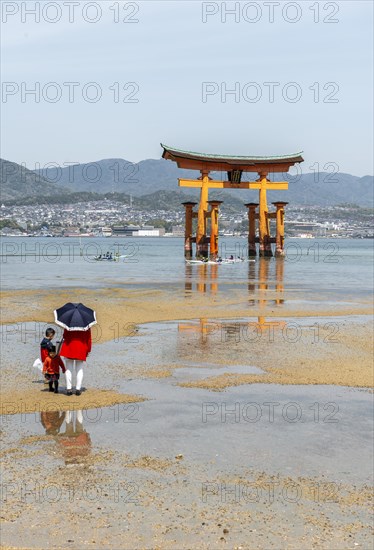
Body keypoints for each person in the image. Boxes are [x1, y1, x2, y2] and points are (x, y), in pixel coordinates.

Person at [60, 329, 91, 396]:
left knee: (68, 370)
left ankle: (69, 389)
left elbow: (65, 336)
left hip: (69, 347)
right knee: (79, 369)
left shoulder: (69, 322)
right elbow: (88, 338)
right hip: (81, 348)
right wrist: (88, 350)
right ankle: (78, 389)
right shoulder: (86, 325)